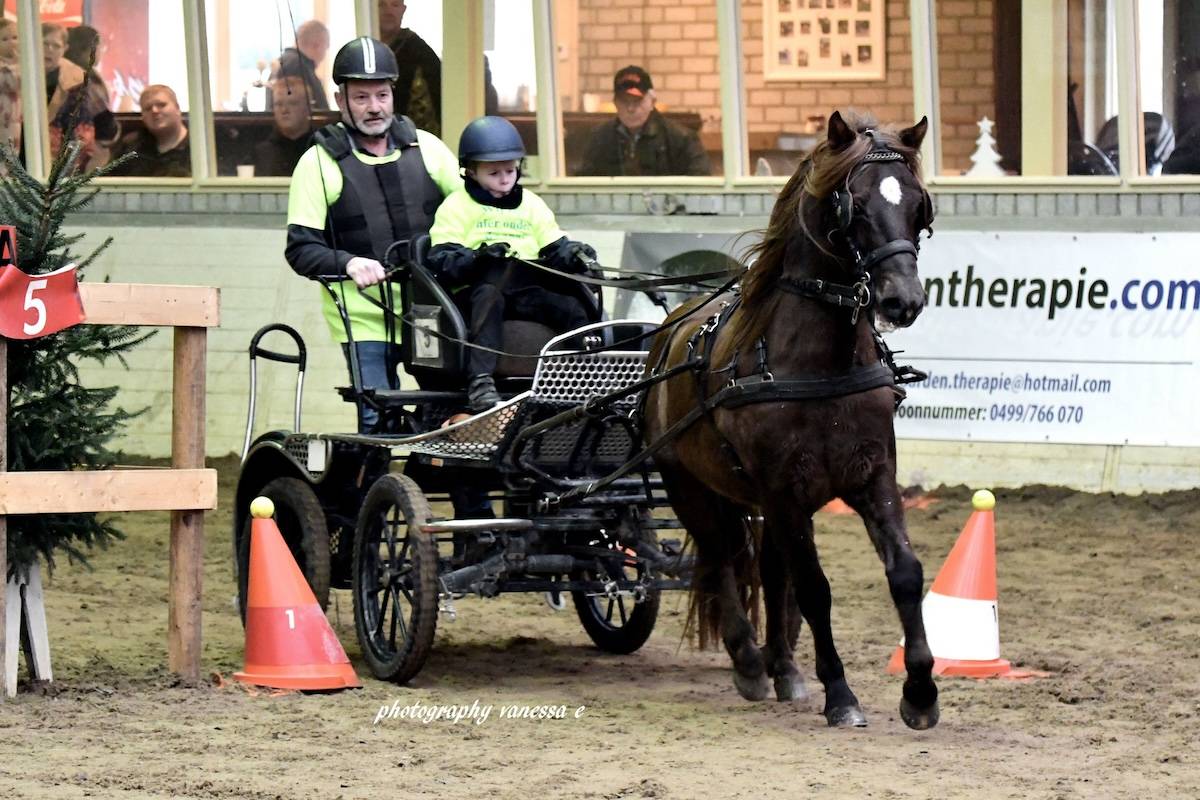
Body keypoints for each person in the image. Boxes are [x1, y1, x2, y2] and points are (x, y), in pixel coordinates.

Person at [284, 36, 458, 434]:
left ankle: (462, 497)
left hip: (427, 313)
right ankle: (375, 494)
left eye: (382, 94)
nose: (375, 107)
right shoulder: (317, 163)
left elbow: (472, 210)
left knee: (449, 413)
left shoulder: (427, 147)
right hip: (363, 319)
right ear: (340, 99)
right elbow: (300, 249)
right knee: (377, 420)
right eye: (361, 97)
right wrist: (348, 262)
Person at [427, 116, 596, 413]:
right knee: (490, 290)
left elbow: (553, 245)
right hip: (478, 292)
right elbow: (442, 260)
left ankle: (588, 377)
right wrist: (478, 257)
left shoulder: (531, 203)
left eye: (510, 170)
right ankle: (480, 380)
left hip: (525, 288)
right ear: (471, 171)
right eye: (494, 173)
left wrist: (572, 252)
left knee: (572, 306)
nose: (505, 179)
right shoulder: (456, 206)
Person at [378, 0, 498, 137]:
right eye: (381, 4)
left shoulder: (419, 52)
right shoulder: (366, 53)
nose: (388, 11)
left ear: (403, 10)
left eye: (395, 4)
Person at [578, 65, 711, 177]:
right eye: (624, 101)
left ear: (652, 102)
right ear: (615, 103)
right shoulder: (600, 138)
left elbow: (701, 182)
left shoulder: (680, 138)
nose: (630, 108)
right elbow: (583, 182)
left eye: (637, 101)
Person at [108, 84, 190, 177]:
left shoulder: (199, 146)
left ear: (177, 108)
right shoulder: (131, 147)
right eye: (147, 108)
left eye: (161, 105)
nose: (154, 110)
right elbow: (106, 182)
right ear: (143, 116)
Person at [253, 77, 313, 177]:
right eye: (278, 104)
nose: (284, 110)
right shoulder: (260, 154)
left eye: (292, 103)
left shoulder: (322, 151)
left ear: (308, 107)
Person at [272, 19, 330, 111]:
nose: (324, 55)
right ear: (317, 45)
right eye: (325, 48)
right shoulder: (297, 66)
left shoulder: (286, 62)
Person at [0, 18, 20, 157]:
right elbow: (13, 84)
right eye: (4, 39)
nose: (12, 42)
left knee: (12, 156)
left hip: (15, 120)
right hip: (3, 119)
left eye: (15, 37)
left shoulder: (22, 62)